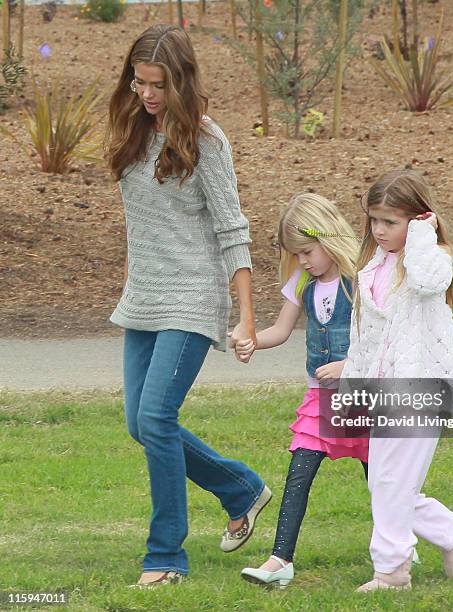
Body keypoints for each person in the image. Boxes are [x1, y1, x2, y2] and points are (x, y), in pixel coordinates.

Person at [106, 24, 271, 587]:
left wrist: (246, 316)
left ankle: (165, 558)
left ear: (181, 81)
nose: (146, 94)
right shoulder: (133, 129)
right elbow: (141, 223)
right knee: (139, 423)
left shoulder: (208, 140)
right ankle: (242, 489)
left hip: (194, 295)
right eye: (138, 81)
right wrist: (132, 282)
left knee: (156, 417)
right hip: (146, 296)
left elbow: (232, 229)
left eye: (157, 84)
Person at [341, 169, 453, 592]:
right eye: (374, 221)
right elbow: (363, 337)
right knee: (384, 482)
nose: (379, 230)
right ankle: (451, 528)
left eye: (390, 222)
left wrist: (422, 235)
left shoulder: (433, 258)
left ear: (418, 220)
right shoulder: (375, 267)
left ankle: (392, 571)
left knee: (392, 483)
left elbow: (426, 281)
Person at [235, 193, 369, 589]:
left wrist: (349, 365)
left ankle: (400, 543)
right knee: (299, 472)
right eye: (296, 255)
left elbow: (379, 336)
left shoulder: (360, 279)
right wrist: (252, 340)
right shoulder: (302, 283)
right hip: (319, 398)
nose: (304, 261)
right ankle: (280, 560)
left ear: (328, 239)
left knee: (380, 477)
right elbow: (280, 330)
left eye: (308, 251)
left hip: (362, 395)